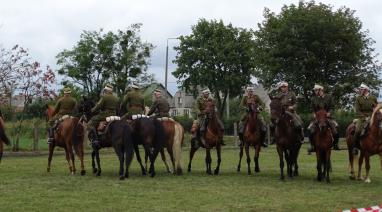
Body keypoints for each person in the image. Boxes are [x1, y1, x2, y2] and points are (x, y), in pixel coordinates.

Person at [307, 84, 339, 153]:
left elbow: (332, 107)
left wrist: (329, 113)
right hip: (317, 118)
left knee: (335, 129)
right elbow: (311, 109)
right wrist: (313, 114)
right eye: (314, 90)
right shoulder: (313, 99)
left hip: (328, 117)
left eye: (316, 90)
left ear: (321, 90)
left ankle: (336, 144)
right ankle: (311, 145)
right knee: (310, 129)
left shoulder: (329, 97)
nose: (315, 92)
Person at [353, 83, 377, 150]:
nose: (360, 90)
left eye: (361, 89)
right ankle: (355, 146)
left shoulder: (373, 98)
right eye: (360, 89)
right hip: (362, 117)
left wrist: (374, 114)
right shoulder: (358, 98)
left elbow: (376, 107)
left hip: (372, 116)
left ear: (366, 90)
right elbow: (357, 110)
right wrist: (364, 117)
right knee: (357, 130)